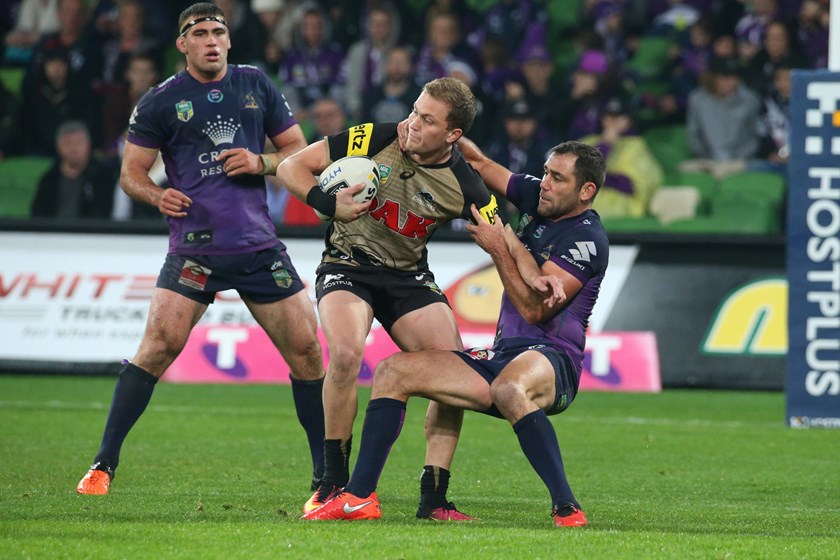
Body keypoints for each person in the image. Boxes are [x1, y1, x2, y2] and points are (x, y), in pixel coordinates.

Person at [76, 2, 326, 496]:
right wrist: (156, 193)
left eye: (219, 31)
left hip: (258, 247)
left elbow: (301, 154)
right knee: (157, 348)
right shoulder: (159, 101)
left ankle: (326, 476)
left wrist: (262, 161)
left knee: (308, 354)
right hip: (194, 251)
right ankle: (103, 465)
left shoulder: (256, 84)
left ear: (229, 41)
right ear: (182, 44)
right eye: (200, 33)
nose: (211, 40)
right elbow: (131, 174)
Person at [303, 138, 608, 529]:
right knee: (392, 371)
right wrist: (444, 133)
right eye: (546, 172)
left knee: (508, 388)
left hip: (552, 359)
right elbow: (478, 163)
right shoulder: (540, 196)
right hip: (504, 356)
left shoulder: (586, 240)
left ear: (586, 191)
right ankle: (360, 497)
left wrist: (499, 248)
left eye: (557, 178)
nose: (544, 183)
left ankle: (567, 508)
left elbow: (534, 309)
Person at [276, 76, 499, 517]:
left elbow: (501, 241)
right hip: (347, 265)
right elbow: (290, 167)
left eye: (426, 119)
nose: (411, 123)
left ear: (453, 135)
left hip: (407, 279)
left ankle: (434, 497)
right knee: (343, 353)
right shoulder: (373, 136)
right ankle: (332, 483)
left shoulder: (465, 184)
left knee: (451, 367)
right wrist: (328, 203)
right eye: (414, 110)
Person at [580, 97, 663, 219]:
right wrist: (604, 146)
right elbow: (574, 174)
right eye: (609, 117)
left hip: (620, 212)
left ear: (628, 121)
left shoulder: (636, 145)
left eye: (619, 117)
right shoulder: (588, 141)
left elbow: (631, 185)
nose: (613, 122)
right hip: (584, 210)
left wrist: (593, 176)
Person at [30, 120, 116, 218]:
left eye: (79, 142)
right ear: (58, 147)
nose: (74, 148)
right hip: (53, 232)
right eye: (68, 143)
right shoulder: (49, 178)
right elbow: (38, 214)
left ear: (89, 145)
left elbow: (102, 214)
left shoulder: (102, 176)